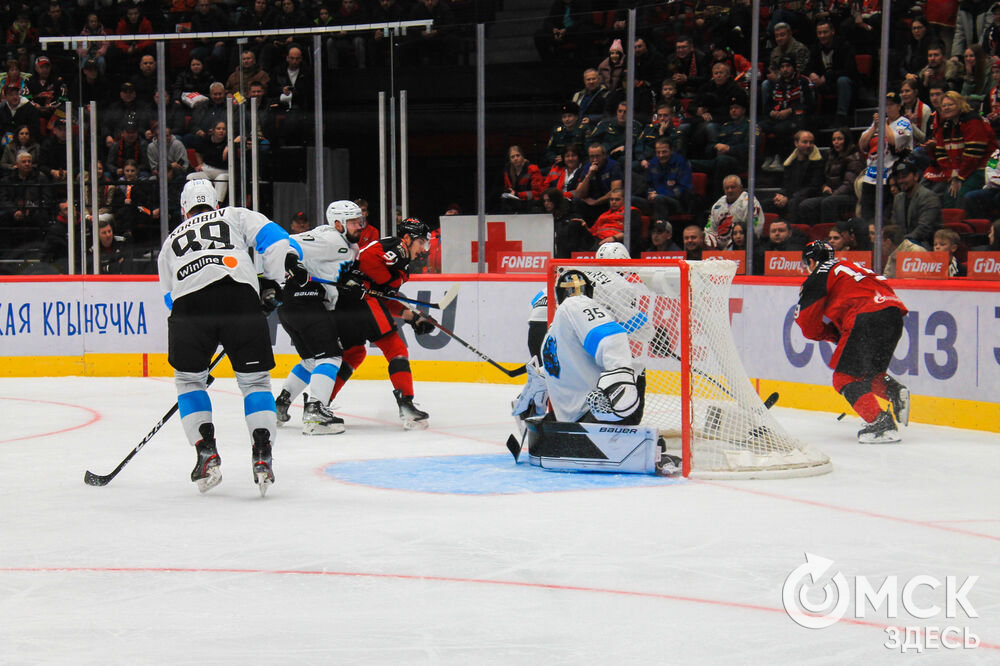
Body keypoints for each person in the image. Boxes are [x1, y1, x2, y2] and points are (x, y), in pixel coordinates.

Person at [157, 179, 300, 495]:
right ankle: (262, 453)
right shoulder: (233, 215)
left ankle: (206, 453)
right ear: (215, 204)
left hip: (188, 308)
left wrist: (201, 337)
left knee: (190, 381)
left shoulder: (170, 242)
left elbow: (170, 299)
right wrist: (272, 284)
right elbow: (277, 242)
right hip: (238, 298)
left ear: (184, 210)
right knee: (255, 383)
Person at [518, 270, 677, 475]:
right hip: (587, 414)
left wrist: (619, 380)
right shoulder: (558, 324)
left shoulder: (574, 304)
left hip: (609, 408)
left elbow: (610, 336)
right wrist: (539, 378)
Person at [795, 240, 910, 443]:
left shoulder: (819, 274)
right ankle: (893, 391)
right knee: (866, 374)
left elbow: (808, 324)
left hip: (867, 317)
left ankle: (881, 425)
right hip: (893, 315)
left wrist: (832, 335)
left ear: (811, 261)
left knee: (844, 378)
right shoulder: (851, 265)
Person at [329, 217, 434, 429]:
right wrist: (386, 282)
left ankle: (320, 402)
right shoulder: (398, 248)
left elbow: (384, 299)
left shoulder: (400, 262)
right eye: (421, 242)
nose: (423, 248)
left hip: (348, 303)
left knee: (355, 353)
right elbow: (367, 260)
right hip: (360, 300)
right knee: (396, 349)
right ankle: (407, 405)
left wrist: (413, 317)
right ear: (407, 238)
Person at [273, 201, 364, 435]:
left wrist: (351, 280)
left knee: (312, 361)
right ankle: (316, 413)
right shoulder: (330, 238)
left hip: (292, 305)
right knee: (332, 356)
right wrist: (293, 264)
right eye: (353, 222)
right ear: (337, 224)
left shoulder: (347, 246)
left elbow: (336, 272)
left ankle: (281, 404)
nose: (359, 226)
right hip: (306, 302)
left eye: (360, 221)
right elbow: (287, 245)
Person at [858, 92, 914, 225]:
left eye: (890, 105)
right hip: (870, 177)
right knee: (866, 219)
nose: (887, 108)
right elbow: (862, 144)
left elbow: (893, 141)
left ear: (899, 106)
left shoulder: (904, 123)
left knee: (884, 219)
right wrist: (874, 128)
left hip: (889, 177)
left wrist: (883, 124)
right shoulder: (876, 123)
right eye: (884, 105)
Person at [797, 128, 864, 226]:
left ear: (847, 140)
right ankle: (813, 234)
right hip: (832, 194)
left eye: (839, 139)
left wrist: (833, 194)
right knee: (806, 205)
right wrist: (824, 187)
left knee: (828, 202)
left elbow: (849, 184)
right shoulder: (830, 156)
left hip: (850, 196)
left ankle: (830, 234)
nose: (836, 142)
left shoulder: (855, 158)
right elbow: (824, 178)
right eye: (834, 139)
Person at [760, 56, 811, 172]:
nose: (785, 69)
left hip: (796, 118)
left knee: (780, 128)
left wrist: (790, 111)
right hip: (778, 117)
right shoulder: (777, 84)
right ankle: (768, 157)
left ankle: (780, 158)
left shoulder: (802, 81)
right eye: (782, 67)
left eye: (788, 66)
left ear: (794, 68)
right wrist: (771, 112)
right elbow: (767, 106)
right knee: (759, 127)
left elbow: (809, 105)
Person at [805, 19, 856, 126]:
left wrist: (827, 77)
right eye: (819, 33)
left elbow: (849, 70)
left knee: (843, 81)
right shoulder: (815, 48)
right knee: (807, 83)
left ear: (833, 31)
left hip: (842, 82)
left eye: (825, 32)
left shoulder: (844, 46)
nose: (822, 36)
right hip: (823, 84)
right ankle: (809, 117)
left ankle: (842, 116)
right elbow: (808, 67)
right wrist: (811, 74)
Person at [770, 130, 825, 225]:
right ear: (796, 143)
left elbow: (814, 187)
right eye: (805, 142)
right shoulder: (790, 163)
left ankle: (793, 232)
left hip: (808, 196)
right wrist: (780, 195)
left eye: (811, 142)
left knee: (793, 203)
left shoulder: (818, 161)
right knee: (769, 203)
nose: (808, 145)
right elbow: (785, 185)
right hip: (792, 196)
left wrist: (789, 197)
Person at [890, 158, 943, 248]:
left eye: (904, 177)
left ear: (916, 176)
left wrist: (903, 242)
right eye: (898, 178)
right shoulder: (898, 198)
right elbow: (895, 226)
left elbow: (924, 229)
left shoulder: (929, 197)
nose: (901, 181)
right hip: (904, 245)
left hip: (926, 245)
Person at [705, 174, 764, 249]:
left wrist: (731, 248)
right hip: (719, 249)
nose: (729, 190)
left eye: (733, 187)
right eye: (727, 188)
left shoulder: (750, 203)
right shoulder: (717, 206)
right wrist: (712, 247)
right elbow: (709, 229)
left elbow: (755, 227)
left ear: (740, 188)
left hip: (742, 248)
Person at [644, 136, 692, 223]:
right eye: (658, 152)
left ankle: (662, 231)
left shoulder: (681, 163)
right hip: (655, 200)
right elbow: (649, 184)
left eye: (664, 152)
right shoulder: (653, 162)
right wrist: (650, 193)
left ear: (671, 150)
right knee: (631, 200)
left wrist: (659, 194)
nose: (661, 155)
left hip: (677, 203)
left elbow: (683, 189)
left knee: (659, 199)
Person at [573, 143, 623, 223]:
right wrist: (589, 176)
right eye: (592, 157)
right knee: (576, 202)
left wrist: (597, 202)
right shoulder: (587, 168)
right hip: (592, 203)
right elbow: (579, 194)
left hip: (607, 202)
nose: (595, 160)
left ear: (604, 156)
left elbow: (616, 191)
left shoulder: (613, 166)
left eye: (598, 156)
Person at [188, 120, 229, 203]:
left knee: (221, 179)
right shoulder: (206, 140)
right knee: (190, 177)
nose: (221, 131)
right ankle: (194, 203)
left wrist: (229, 146)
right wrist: (200, 164)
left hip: (223, 172)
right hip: (208, 170)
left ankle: (216, 205)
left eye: (224, 129)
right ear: (212, 130)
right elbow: (198, 151)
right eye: (218, 129)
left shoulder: (229, 141)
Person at [499, 145, 543, 213]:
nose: (515, 158)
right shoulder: (507, 171)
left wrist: (518, 194)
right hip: (515, 204)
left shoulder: (533, 169)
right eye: (512, 157)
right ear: (510, 159)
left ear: (522, 156)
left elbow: (537, 193)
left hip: (530, 205)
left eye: (518, 155)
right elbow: (508, 188)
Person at [544, 102, 584, 168]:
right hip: (560, 165)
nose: (567, 119)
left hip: (579, 164)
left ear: (576, 117)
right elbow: (549, 151)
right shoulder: (557, 132)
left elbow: (587, 151)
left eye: (569, 116)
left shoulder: (583, 130)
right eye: (564, 117)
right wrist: (555, 158)